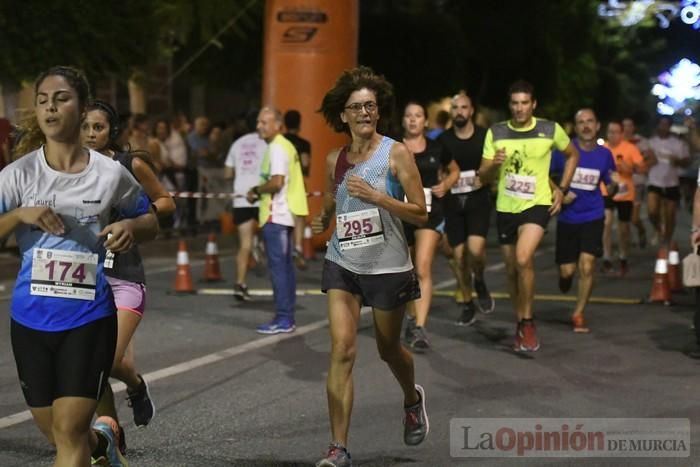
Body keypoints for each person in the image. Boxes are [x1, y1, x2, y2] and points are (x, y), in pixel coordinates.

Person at [1, 65, 158, 466]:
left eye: (61, 99)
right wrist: (20, 215)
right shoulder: (17, 175)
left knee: (68, 434)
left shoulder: (109, 174)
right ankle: (103, 444)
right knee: (56, 431)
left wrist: (128, 225)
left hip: (89, 317)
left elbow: (150, 221)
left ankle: (92, 441)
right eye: (42, 101)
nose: (50, 108)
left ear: (83, 107)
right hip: (30, 318)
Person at [312, 66, 429, 467]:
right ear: (342, 115)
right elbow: (335, 197)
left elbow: (420, 213)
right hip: (343, 262)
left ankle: (412, 399)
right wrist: (323, 217)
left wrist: (380, 199)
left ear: (378, 112)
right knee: (342, 349)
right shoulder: (335, 158)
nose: (364, 112)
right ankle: (338, 448)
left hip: (388, 265)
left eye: (371, 106)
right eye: (356, 107)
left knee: (388, 349)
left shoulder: (396, 153)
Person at [81, 99, 175, 453]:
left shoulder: (128, 164)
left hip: (125, 277)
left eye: (99, 127)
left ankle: (135, 386)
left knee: (100, 360)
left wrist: (135, 220)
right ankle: (111, 435)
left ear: (112, 131)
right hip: (86, 279)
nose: (91, 134)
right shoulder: (70, 168)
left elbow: (166, 202)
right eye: (86, 127)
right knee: (98, 361)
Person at [479, 80, 579, 352]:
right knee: (512, 270)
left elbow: (572, 155)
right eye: (515, 103)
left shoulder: (549, 129)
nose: (519, 108)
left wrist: (562, 189)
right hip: (506, 207)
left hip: (536, 205)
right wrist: (493, 166)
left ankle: (528, 321)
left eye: (525, 103)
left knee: (524, 257)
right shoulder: (497, 133)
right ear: (509, 105)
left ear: (533, 104)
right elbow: (482, 174)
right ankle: (520, 321)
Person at [551, 109, 616, 332]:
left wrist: (616, 184)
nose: (586, 126)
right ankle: (565, 279)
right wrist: (559, 191)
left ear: (598, 126)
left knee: (587, 266)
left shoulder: (605, 154)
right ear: (575, 127)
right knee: (567, 272)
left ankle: (578, 313)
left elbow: (610, 181)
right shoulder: (564, 151)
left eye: (590, 122)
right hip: (568, 218)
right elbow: (544, 175)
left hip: (593, 215)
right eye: (581, 122)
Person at [401, 101, 459, 351]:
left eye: (418, 115)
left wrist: (446, 184)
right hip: (401, 215)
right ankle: (412, 317)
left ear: (425, 121)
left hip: (429, 215)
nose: (413, 120)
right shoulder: (392, 148)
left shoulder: (437, 147)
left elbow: (454, 170)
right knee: (407, 272)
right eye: (409, 116)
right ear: (403, 121)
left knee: (423, 268)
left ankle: (420, 328)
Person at [246, 108, 308, 333]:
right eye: (258, 121)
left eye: (264, 122)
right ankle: (286, 316)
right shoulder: (285, 146)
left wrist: (255, 190)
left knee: (279, 268)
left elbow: (277, 182)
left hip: (277, 215)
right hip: (286, 214)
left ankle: (283, 318)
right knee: (285, 268)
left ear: (277, 125)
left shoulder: (277, 148)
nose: (259, 126)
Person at [438, 93, 494, 324]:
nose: (459, 111)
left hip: (478, 201)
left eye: (463, 107)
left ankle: (479, 279)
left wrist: (488, 172)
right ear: (451, 112)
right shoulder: (443, 140)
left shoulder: (484, 136)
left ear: (471, 111)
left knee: (476, 251)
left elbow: (490, 167)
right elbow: (440, 169)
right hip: (453, 203)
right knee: (459, 257)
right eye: (455, 108)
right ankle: (468, 302)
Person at [224, 110, 267, 301]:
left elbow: (227, 174)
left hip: (241, 195)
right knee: (272, 236)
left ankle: (240, 283)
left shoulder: (237, 144)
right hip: (262, 195)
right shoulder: (268, 143)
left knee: (244, 244)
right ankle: (261, 248)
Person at [601, 120, 646, 275]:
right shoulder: (603, 149)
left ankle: (623, 256)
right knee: (606, 223)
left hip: (625, 193)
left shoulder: (630, 148)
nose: (612, 135)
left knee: (623, 228)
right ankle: (606, 258)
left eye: (616, 132)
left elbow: (642, 168)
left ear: (622, 133)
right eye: (610, 132)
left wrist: (629, 168)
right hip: (606, 191)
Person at [647, 116, 690, 244]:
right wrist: (648, 159)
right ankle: (659, 229)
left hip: (672, 182)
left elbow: (686, 161)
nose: (663, 127)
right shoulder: (651, 142)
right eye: (661, 124)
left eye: (666, 124)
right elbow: (643, 159)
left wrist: (677, 160)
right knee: (652, 211)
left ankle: (667, 240)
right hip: (654, 181)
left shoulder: (677, 143)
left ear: (670, 126)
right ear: (657, 126)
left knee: (670, 214)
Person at [283, 109, 312, 269]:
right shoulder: (304, 144)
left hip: (280, 182)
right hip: (297, 183)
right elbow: (306, 164)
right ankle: (298, 247)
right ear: (299, 124)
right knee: (299, 215)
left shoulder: (280, 141)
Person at [622, 117, 653, 248]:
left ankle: (641, 231)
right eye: (624, 126)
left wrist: (640, 167)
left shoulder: (642, 142)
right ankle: (626, 246)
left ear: (634, 127)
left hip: (637, 184)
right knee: (624, 219)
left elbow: (652, 160)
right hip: (622, 185)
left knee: (634, 218)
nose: (627, 129)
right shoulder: (617, 141)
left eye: (629, 126)